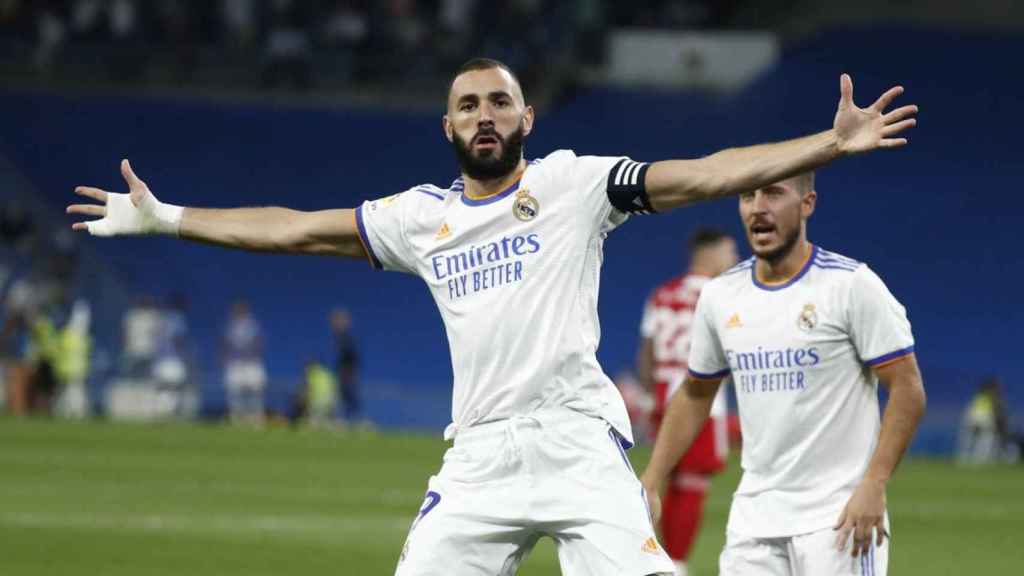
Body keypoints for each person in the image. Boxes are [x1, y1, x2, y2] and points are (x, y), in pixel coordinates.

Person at [66, 58, 917, 575]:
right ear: (448, 125)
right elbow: (294, 229)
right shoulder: (418, 217)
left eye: (500, 103)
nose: (485, 116)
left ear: (527, 119)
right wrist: (169, 217)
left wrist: (826, 145)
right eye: (469, 105)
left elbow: (703, 174)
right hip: (478, 457)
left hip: (580, 442)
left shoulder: (575, 184)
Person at [640, 172, 927, 576]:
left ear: (807, 203)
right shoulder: (721, 295)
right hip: (753, 521)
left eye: (774, 193)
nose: (758, 207)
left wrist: (874, 484)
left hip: (837, 518)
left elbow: (907, 388)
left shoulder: (850, 285)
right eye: (747, 195)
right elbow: (696, 392)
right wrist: (652, 478)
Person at [637, 228, 738, 575]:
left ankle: (651, 559)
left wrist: (651, 394)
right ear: (708, 255)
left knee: (661, 479)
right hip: (700, 400)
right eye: (728, 252)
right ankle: (674, 564)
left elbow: (647, 351)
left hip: (664, 394)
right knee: (692, 483)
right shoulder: (722, 295)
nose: (734, 259)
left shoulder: (662, 294)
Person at [222, 299, 267, 424]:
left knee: (255, 389)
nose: (238, 311)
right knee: (234, 390)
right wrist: (224, 357)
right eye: (236, 309)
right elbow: (224, 342)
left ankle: (255, 417)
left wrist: (255, 354)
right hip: (235, 362)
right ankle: (236, 417)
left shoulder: (252, 324)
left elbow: (259, 341)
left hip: (251, 362)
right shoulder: (230, 325)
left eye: (240, 309)